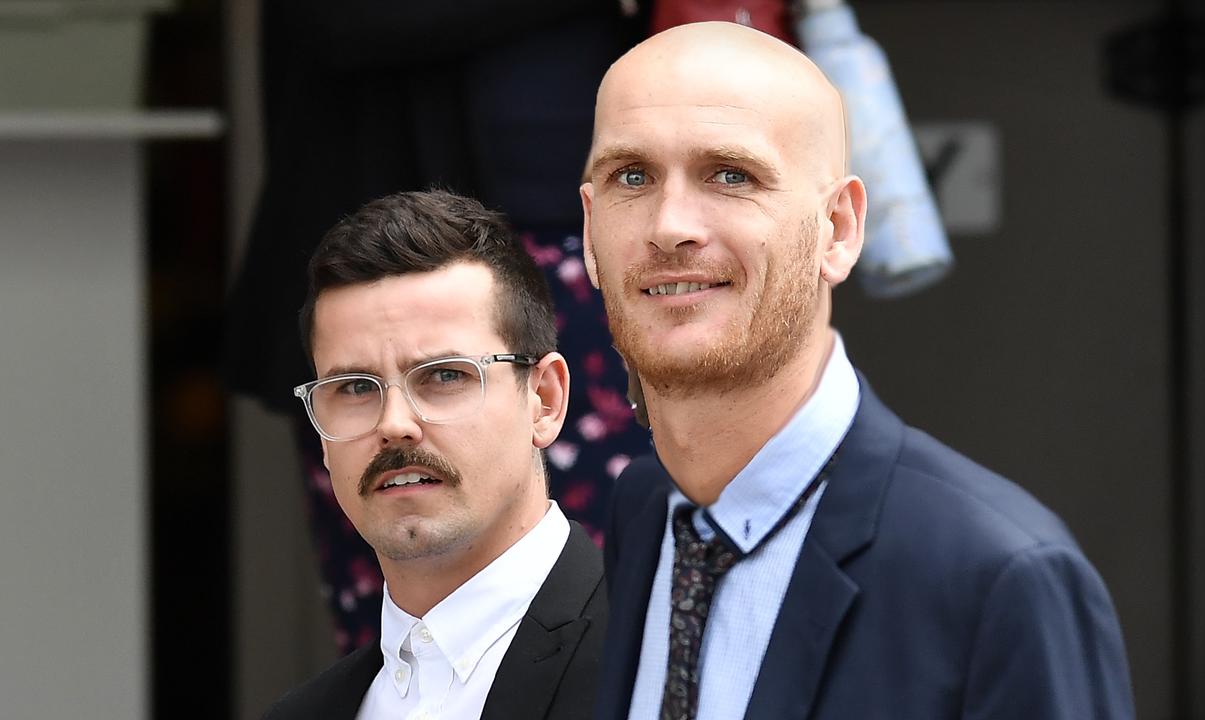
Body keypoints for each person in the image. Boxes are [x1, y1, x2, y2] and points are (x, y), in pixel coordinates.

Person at [579, 21, 1135, 720]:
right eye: (634, 176)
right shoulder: (646, 509)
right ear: (591, 230)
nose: (670, 225)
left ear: (838, 230)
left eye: (731, 174)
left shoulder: (1001, 578)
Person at [225, 2, 648, 653]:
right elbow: (335, 22)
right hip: (385, 247)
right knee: (403, 625)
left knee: (609, 620)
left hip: (591, 251)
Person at [264, 191, 604, 719]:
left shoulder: (662, 655)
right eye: (354, 388)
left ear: (545, 400)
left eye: (446, 376)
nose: (394, 424)